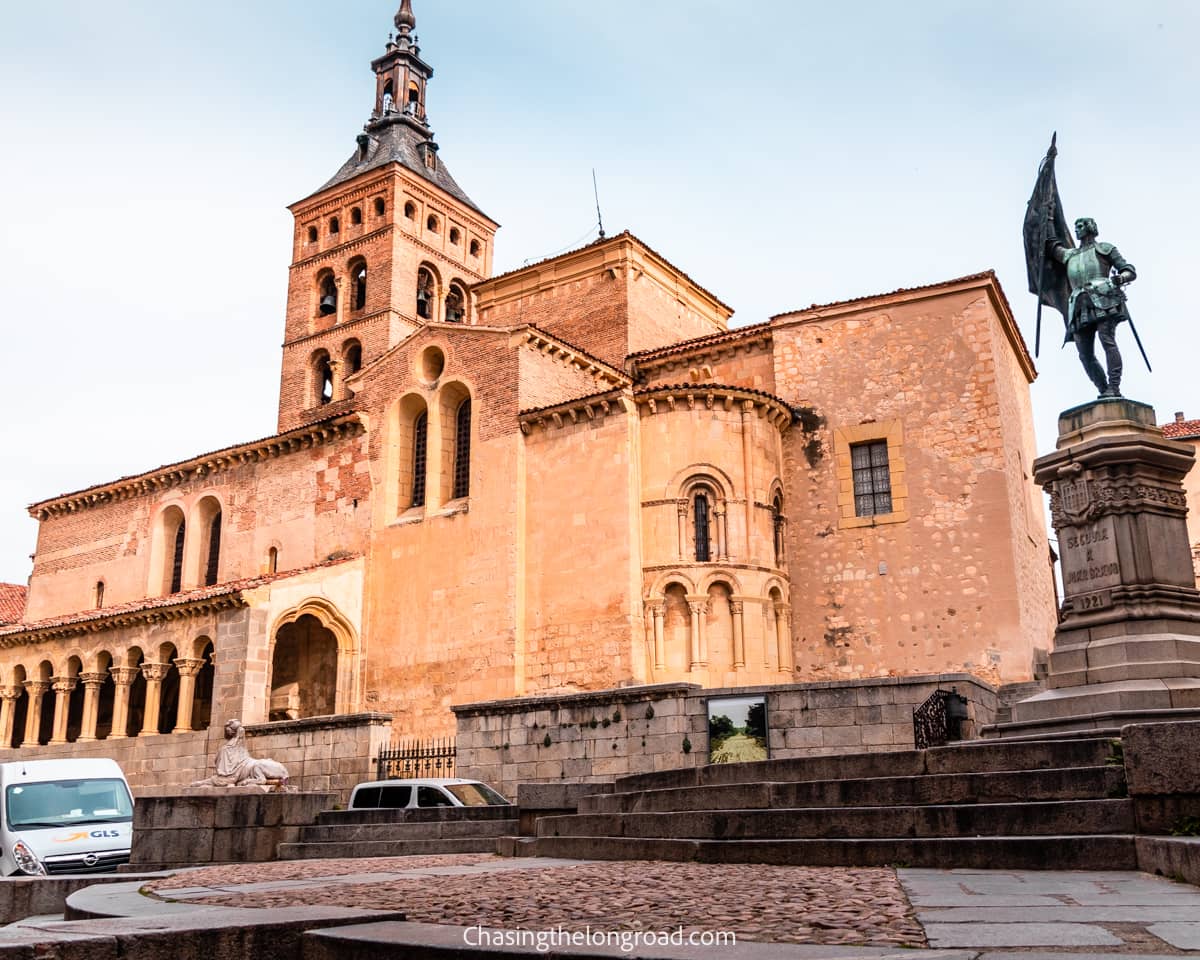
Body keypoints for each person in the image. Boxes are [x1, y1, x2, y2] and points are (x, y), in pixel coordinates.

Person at [1049, 217, 1136, 397]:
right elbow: (1051, 245)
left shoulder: (1105, 248)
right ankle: (1103, 388)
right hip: (1079, 305)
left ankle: (1114, 387)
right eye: (1075, 227)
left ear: (1090, 228)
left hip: (1104, 299)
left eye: (1080, 226)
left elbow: (1129, 270)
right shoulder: (1069, 255)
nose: (1077, 229)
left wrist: (1121, 278)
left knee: (1107, 341)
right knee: (1084, 354)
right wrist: (1047, 216)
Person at [191, 718, 289, 787]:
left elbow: (224, 780)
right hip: (267, 769)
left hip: (264, 768)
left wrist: (201, 783)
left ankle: (260, 780)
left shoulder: (226, 749)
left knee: (258, 765)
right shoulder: (231, 748)